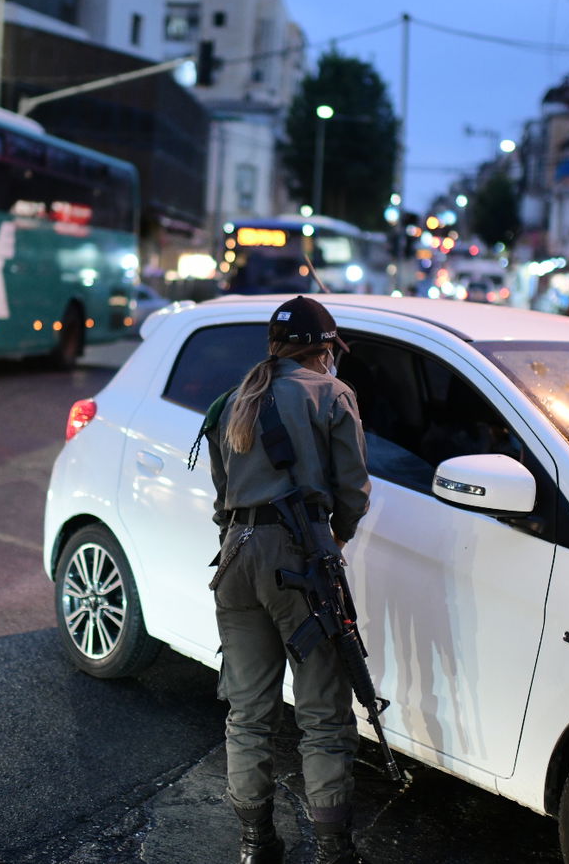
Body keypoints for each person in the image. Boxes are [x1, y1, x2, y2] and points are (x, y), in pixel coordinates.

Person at [202, 296, 371, 864]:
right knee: (323, 715)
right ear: (325, 348)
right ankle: (331, 851)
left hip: (235, 561)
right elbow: (353, 490)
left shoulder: (234, 400)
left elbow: (224, 496)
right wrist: (336, 538)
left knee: (249, 713)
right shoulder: (331, 394)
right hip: (300, 560)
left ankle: (256, 845)